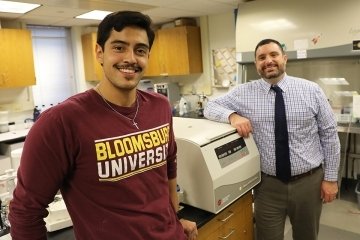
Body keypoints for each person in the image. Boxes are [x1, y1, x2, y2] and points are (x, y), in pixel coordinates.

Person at [9, 11, 197, 240]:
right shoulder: (61, 122)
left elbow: (168, 168)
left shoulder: (160, 106)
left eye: (140, 50)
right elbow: (25, 211)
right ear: (100, 53)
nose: (130, 58)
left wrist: (175, 220)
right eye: (119, 47)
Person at [204, 38, 340, 240]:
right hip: (267, 186)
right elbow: (209, 106)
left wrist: (330, 179)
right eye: (261, 57)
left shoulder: (311, 91)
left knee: (307, 236)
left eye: (273, 55)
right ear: (256, 64)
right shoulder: (243, 93)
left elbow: (329, 135)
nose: (268, 61)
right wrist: (232, 116)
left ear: (284, 59)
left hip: (308, 183)